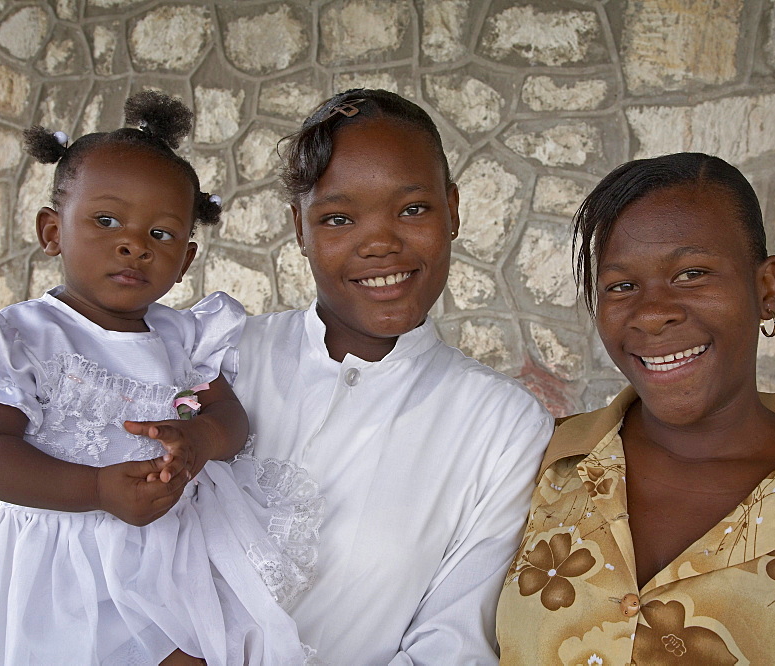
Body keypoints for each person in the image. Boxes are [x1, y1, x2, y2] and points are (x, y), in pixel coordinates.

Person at [0, 91, 321, 665]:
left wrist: (200, 440)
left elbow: (228, 419)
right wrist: (98, 489)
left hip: (166, 554)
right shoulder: (22, 338)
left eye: (161, 234)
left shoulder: (186, 338)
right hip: (49, 571)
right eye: (106, 221)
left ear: (185, 259)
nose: (133, 243)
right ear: (52, 231)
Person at [495, 152, 775, 663]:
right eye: (621, 286)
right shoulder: (531, 464)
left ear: (767, 289)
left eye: (692, 273)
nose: (652, 314)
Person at [231, 88, 554, 664]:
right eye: (338, 218)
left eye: (411, 209)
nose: (380, 242)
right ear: (299, 229)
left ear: (453, 211)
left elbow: (454, 639)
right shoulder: (224, 361)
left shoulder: (500, 425)